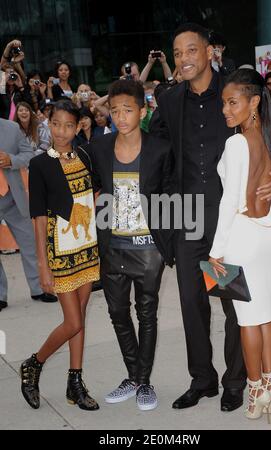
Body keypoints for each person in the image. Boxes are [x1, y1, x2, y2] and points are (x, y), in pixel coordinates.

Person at [150, 22, 271, 412]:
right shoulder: (168, 100)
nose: (183, 59)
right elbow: (155, 153)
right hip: (188, 219)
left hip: (229, 223)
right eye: (177, 52)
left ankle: (236, 381)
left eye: (191, 50)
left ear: (208, 52)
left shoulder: (234, 93)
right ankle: (202, 380)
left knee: (235, 304)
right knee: (190, 300)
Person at [88, 79, 173, 411]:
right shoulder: (98, 147)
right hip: (113, 247)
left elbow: (170, 192)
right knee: (117, 312)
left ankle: (144, 382)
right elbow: (89, 184)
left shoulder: (160, 148)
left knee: (147, 313)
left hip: (149, 248)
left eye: (127, 110)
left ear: (142, 110)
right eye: (114, 110)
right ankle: (134, 375)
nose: (121, 117)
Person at [209, 68, 271, 420]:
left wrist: (215, 250)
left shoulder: (236, 143)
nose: (225, 109)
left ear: (254, 102)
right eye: (224, 103)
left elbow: (229, 201)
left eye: (232, 102)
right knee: (266, 315)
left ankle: (254, 390)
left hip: (241, 237)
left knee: (246, 321)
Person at [20, 100, 100, 410]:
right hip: (60, 253)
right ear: (47, 124)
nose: (62, 131)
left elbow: (92, 197)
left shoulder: (84, 155)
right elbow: (38, 218)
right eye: (56, 124)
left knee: (79, 321)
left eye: (69, 125)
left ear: (79, 126)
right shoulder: (40, 164)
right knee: (73, 322)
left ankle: (75, 383)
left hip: (86, 247)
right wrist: (43, 265)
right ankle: (34, 363)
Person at [0, 118, 57, 312]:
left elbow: (28, 154)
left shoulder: (11, 128)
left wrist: (11, 160)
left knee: (30, 244)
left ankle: (39, 288)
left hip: (13, 197)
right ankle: (0, 295)